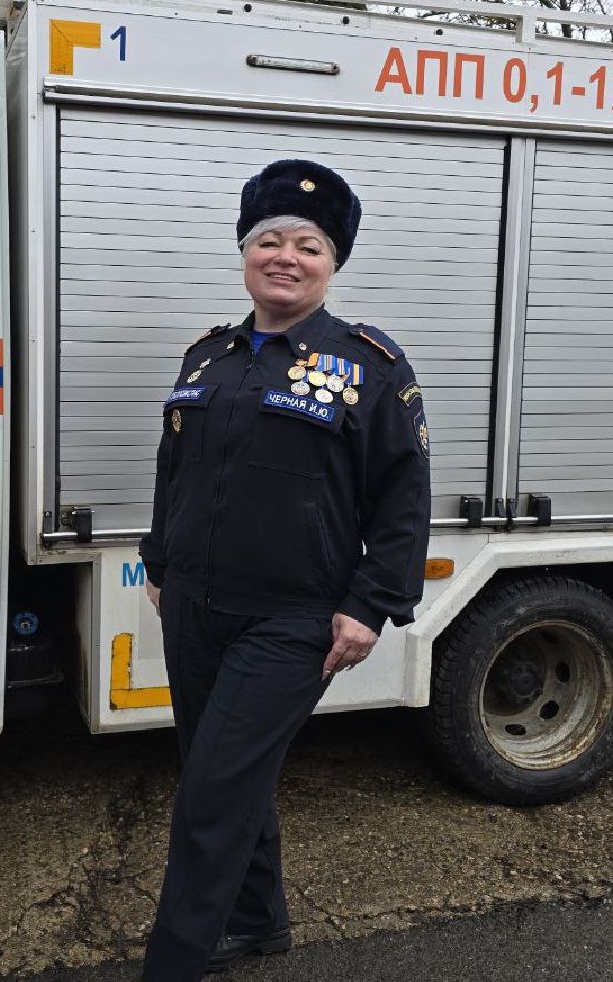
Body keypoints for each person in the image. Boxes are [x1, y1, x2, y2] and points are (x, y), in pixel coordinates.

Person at [137, 159, 432, 980]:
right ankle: (256, 922)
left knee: (210, 800)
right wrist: (158, 563)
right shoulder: (208, 357)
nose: (285, 256)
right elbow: (174, 469)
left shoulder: (369, 365)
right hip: (194, 606)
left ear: (331, 264)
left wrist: (373, 605)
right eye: (269, 240)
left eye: (308, 245)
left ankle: (175, 962)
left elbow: (406, 496)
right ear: (245, 253)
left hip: (293, 619)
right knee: (222, 775)